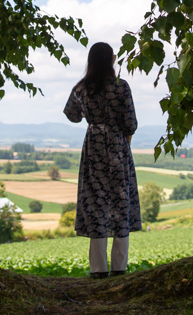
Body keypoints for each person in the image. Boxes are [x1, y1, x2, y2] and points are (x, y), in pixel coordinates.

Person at [63, 41, 141, 278]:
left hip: (94, 146)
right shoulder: (121, 86)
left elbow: (72, 115)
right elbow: (131, 123)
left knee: (96, 204)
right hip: (118, 146)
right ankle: (120, 268)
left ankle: (98, 270)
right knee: (120, 203)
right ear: (111, 60)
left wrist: (91, 115)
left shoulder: (82, 87)